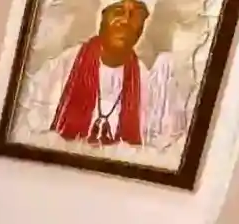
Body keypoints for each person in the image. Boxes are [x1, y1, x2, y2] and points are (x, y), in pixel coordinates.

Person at [19, 0, 185, 149]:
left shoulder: (148, 85)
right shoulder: (59, 70)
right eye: (118, 11)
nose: (126, 21)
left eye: (135, 16)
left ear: (142, 28)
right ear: (102, 18)